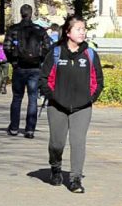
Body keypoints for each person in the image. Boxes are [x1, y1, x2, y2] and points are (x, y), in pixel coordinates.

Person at [38, 16, 104, 193]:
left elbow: (98, 80)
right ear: (68, 32)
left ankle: (75, 179)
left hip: (82, 107)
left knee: (78, 141)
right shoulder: (56, 53)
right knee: (56, 143)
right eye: (78, 29)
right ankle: (56, 167)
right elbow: (44, 78)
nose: (82, 32)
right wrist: (52, 95)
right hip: (57, 105)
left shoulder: (90, 54)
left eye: (84, 29)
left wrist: (90, 98)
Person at [4, 4, 52, 138]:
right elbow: (48, 47)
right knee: (32, 99)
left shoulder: (14, 29)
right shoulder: (40, 30)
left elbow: (6, 47)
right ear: (32, 14)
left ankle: (14, 127)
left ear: (21, 13)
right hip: (35, 68)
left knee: (17, 98)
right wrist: (40, 59)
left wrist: (13, 61)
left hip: (19, 67)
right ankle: (30, 129)